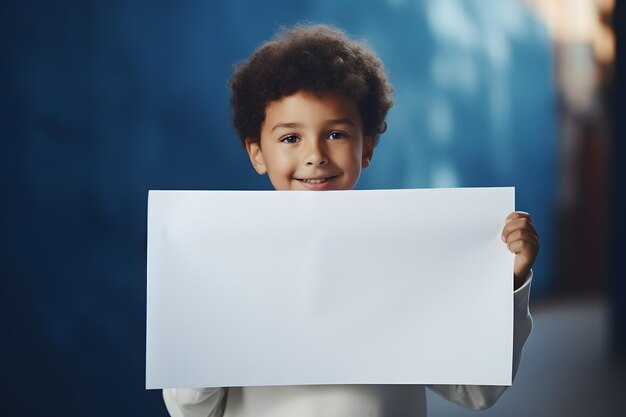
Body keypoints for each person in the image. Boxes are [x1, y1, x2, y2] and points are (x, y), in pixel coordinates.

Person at [163, 24, 539, 417]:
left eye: (336, 134)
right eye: (290, 138)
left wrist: (507, 281)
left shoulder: (408, 258)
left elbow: (477, 389)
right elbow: (189, 410)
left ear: (367, 147)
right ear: (257, 153)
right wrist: (206, 312)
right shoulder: (223, 261)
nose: (315, 155)